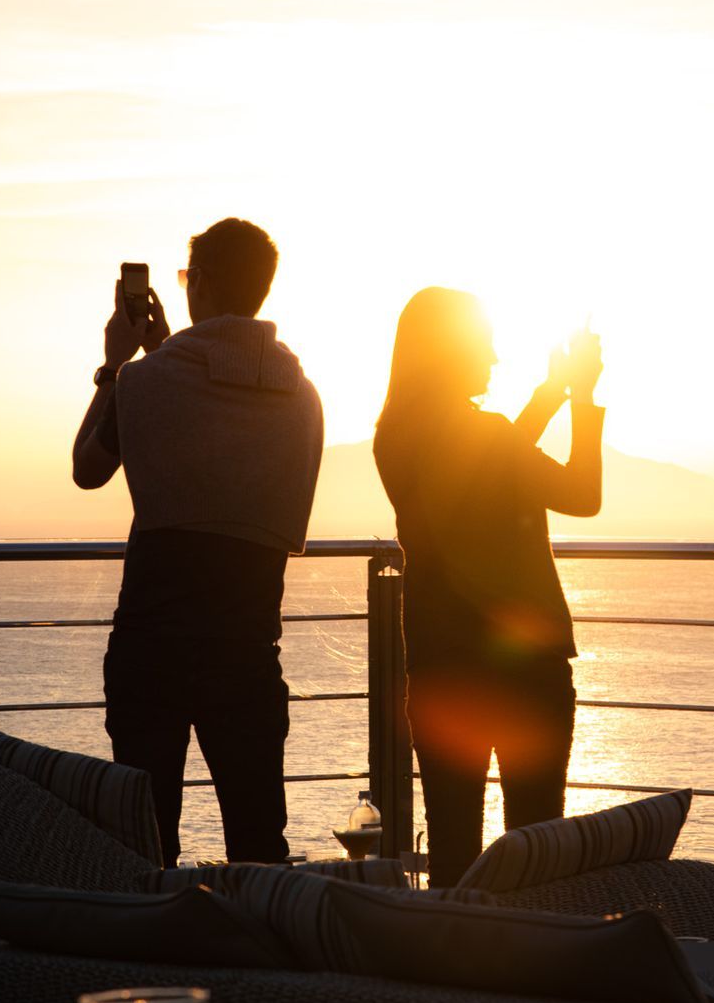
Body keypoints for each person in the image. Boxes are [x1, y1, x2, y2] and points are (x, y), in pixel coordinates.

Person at [73, 218, 323, 866]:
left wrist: (114, 365)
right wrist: (164, 354)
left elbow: (87, 468)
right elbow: (219, 401)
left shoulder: (145, 383)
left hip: (151, 649)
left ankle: (155, 965)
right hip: (247, 652)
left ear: (201, 281)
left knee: (148, 843)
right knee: (259, 844)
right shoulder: (303, 397)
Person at [373, 289, 604, 886]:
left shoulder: (395, 436)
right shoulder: (488, 437)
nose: (496, 358)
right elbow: (582, 493)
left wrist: (550, 394)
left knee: (453, 855)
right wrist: (582, 397)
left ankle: (456, 970)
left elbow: (478, 468)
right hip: (525, 668)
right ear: (450, 354)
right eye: (484, 344)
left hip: (441, 666)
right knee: (537, 853)